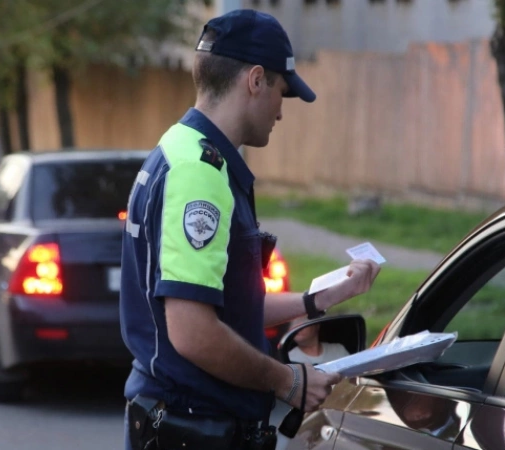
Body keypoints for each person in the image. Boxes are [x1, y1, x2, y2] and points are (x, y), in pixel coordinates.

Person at [119, 9, 381, 450]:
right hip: (194, 427)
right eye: (282, 90)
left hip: (185, 422)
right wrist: (288, 380)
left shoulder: (182, 149)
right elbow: (193, 330)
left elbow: (220, 305)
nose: (282, 109)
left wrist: (316, 300)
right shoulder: (198, 174)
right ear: (255, 80)